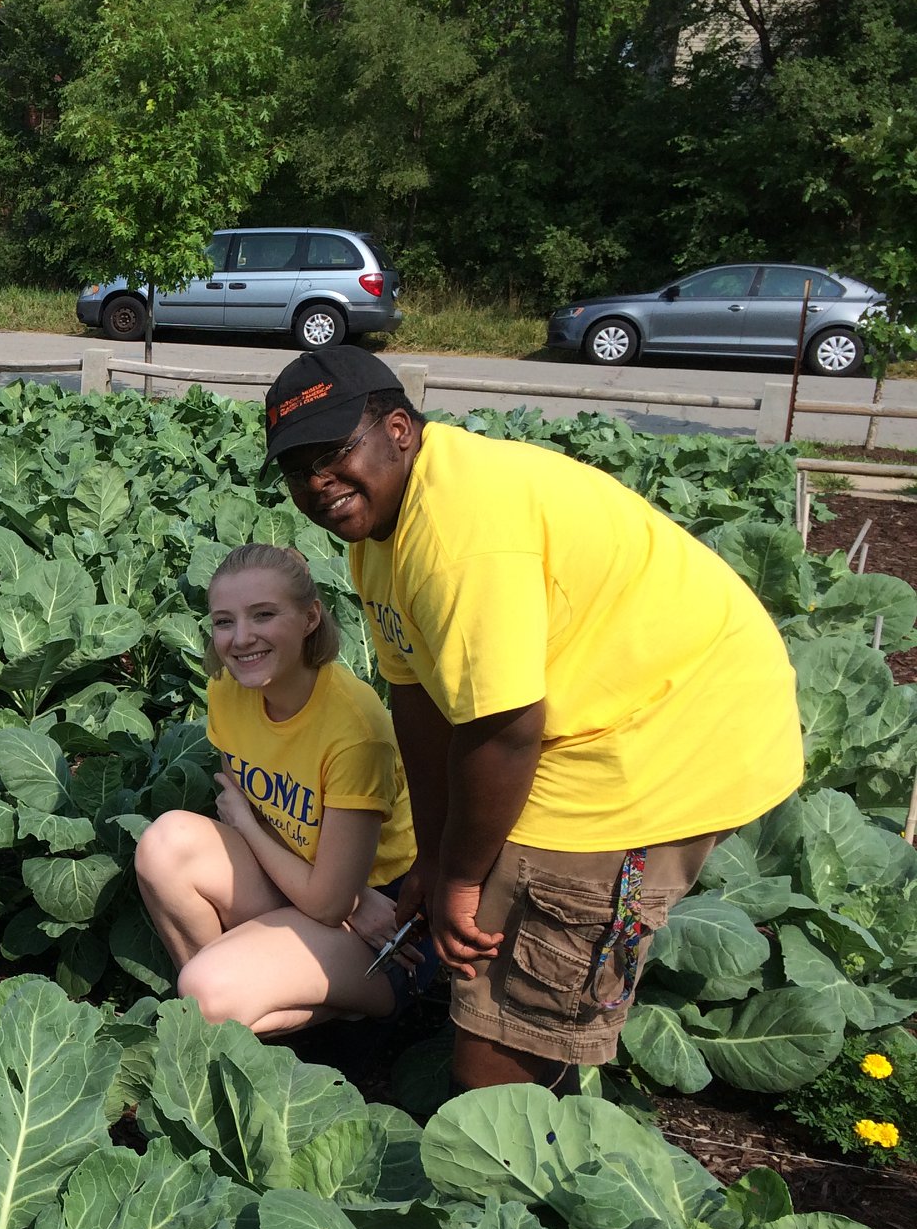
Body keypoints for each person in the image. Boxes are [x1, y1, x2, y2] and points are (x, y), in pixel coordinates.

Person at [262, 344, 803, 1092]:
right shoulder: (384, 532)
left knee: (506, 1037)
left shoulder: (456, 533)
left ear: (399, 429)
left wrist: (459, 880)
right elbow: (419, 701)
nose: (318, 484)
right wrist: (433, 855)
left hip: (660, 731)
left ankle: (530, 1126)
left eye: (332, 454)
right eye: (297, 470)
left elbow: (504, 729)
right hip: (585, 711)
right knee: (495, 932)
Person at [136, 544, 426, 1034]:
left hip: (384, 924)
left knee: (206, 991)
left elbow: (328, 901)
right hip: (306, 880)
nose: (241, 638)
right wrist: (254, 827)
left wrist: (351, 897)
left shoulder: (355, 732)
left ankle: (325, 1023)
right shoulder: (229, 690)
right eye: (224, 621)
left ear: (310, 617)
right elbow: (247, 807)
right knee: (164, 845)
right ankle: (238, 1023)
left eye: (263, 615)